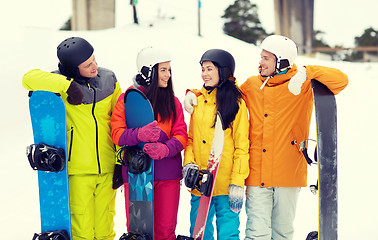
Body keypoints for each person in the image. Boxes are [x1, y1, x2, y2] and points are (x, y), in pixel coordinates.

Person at [185, 35, 349, 240]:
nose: (260, 62)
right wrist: (195, 94)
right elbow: (225, 91)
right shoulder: (252, 85)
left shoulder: (302, 84)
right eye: (261, 57)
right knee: (256, 233)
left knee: (282, 232)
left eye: (266, 58)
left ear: (281, 61)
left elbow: (342, 81)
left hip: (288, 173)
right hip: (257, 173)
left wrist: (308, 72)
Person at [22, 36, 122, 240]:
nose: (94, 66)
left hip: (107, 168)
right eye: (87, 65)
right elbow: (27, 78)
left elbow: (119, 121)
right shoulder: (57, 81)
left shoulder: (108, 79)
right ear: (73, 69)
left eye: (94, 60)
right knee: (82, 232)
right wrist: (66, 85)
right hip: (78, 171)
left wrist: (120, 160)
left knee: (105, 230)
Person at [110, 46, 188, 240]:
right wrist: (138, 134)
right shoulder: (127, 100)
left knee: (165, 230)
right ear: (147, 71)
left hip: (168, 174)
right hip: (138, 176)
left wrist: (166, 149)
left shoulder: (173, 102)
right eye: (163, 70)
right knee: (139, 232)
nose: (168, 75)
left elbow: (181, 135)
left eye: (169, 70)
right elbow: (117, 134)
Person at [182, 49, 250, 240]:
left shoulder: (236, 103)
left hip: (226, 184)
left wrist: (237, 181)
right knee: (200, 233)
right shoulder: (197, 101)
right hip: (200, 182)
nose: (204, 73)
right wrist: (189, 164)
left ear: (224, 71)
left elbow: (242, 146)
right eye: (203, 69)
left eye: (209, 69)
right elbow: (191, 139)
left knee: (228, 233)